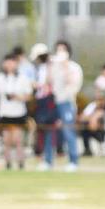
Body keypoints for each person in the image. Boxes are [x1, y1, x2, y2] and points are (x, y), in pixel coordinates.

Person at [40, 42, 83, 171]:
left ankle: (73, 161)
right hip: (54, 102)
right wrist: (49, 65)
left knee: (68, 130)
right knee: (49, 130)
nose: (60, 53)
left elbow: (73, 84)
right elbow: (47, 82)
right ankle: (47, 161)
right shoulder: (53, 67)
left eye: (62, 50)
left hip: (67, 102)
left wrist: (65, 66)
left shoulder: (74, 67)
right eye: (58, 50)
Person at [0, 52, 34, 169]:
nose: (9, 64)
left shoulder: (23, 78)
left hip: (18, 113)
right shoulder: (0, 78)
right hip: (4, 113)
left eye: (12, 62)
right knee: (6, 140)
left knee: (18, 140)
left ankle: (20, 163)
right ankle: (8, 163)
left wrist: (17, 97)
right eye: (7, 62)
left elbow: (29, 96)